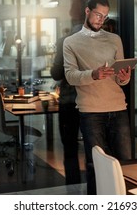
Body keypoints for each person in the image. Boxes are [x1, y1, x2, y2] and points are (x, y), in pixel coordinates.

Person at [63, 0, 132, 194]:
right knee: (96, 167)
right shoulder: (71, 42)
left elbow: (121, 79)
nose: (101, 20)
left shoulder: (114, 39)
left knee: (125, 164)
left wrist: (125, 76)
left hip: (118, 108)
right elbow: (70, 76)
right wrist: (93, 74)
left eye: (105, 16)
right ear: (87, 11)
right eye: (97, 15)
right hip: (91, 112)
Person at [50, 25, 82, 185]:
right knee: (97, 149)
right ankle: (100, 187)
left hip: (70, 101)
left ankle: (74, 187)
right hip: (93, 101)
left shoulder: (65, 41)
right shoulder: (97, 38)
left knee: (70, 147)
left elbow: (56, 74)